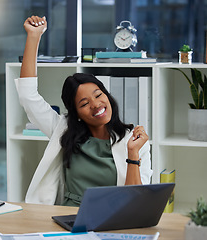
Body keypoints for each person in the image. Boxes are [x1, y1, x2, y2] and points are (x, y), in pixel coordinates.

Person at [15, 16, 153, 206]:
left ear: (107, 95)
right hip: (67, 218)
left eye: (98, 95)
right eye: (84, 103)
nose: (96, 105)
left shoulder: (134, 141)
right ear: (76, 113)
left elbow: (136, 203)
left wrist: (133, 154)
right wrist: (34, 36)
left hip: (111, 218)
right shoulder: (63, 131)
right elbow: (28, 96)